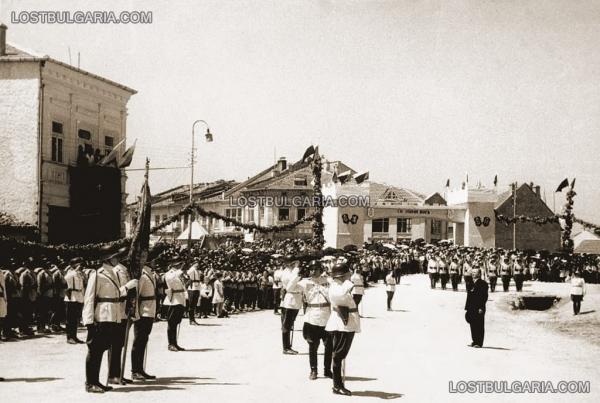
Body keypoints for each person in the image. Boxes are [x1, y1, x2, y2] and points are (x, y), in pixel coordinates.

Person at [82, 247, 138, 393]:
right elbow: (89, 298)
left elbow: (116, 294)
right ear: (107, 259)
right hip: (101, 316)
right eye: (115, 257)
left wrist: (127, 287)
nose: (117, 260)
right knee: (95, 350)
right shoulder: (97, 274)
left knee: (101, 349)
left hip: (111, 316)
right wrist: (88, 321)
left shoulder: (112, 273)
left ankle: (97, 382)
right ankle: (90, 383)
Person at [326, 262, 360, 396]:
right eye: (347, 273)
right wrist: (348, 282)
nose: (350, 275)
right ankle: (337, 385)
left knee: (341, 354)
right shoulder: (336, 287)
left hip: (347, 322)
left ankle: (338, 384)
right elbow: (339, 296)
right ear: (341, 275)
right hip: (341, 323)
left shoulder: (340, 285)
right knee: (338, 354)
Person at [296, 260, 333, 380]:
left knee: (329, 346)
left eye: (316, 269)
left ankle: (327, 370)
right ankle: (313, 370)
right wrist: (297, 274)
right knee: (312, 345)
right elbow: (290, 287)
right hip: (312, 316)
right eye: (311, 269)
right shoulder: (305, 282)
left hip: (326, 315)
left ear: (320, 270)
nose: (313, 271)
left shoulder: (328, 281)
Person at [131, 252, 157, 381]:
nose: (155, 263)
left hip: (150, 310)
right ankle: (135, 370)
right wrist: (136, 313)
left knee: (144, 340)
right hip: (143, 311)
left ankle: (141, 369)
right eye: (153, 261)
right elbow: (137, 295)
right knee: (139, 341)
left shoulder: (150, 274)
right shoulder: (142, 275)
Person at [108, 259, 133, 385]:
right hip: (118, 310)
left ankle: (119, 373)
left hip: (124, 310)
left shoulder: (125, 270)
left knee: (120, 344)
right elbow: (116, 291)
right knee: (115, 344)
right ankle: (113, 375)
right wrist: (128, 287)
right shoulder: (116, 270)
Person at [163, 260, 187, 351]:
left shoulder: (178, 274)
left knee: (176, 322)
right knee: (171, 323)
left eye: (180, 263)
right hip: (173, 300)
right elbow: (170, 279)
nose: (180, 265)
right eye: (178, 264)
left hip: (180, 299)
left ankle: (175, 343)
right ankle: (170, 344)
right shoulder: (170, 273)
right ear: (172, 264)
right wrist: (181, 270)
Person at [280, 258, 302, 354]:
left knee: (290, 324)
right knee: (287, 325)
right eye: (292, 263)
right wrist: (297, 269)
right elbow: (291, 283)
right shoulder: (286, 273)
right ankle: (286, 347)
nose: (294, 265)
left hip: (296, 297)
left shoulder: (292, 271)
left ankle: (288, 346)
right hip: (290, 298)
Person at [464, 268, 488, 348]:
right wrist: (467, 308)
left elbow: (484, 297)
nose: (473, 274)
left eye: (475, 272)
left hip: (478, 308)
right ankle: (474, 341)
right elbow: (469, 296)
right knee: (473, 324)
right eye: (472, 272)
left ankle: (479, 342)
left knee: (479, 325)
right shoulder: (471, 283)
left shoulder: (483, 283)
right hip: (471, 307)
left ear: (479, 274)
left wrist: (481, 307)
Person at [64, 258, 85, 344]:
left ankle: (74, 336)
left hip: (78, 296)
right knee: (70, 319)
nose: (80, 266)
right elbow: (66, 278)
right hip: (71, 297)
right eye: (78, 264)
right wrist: (74, 270)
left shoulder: (78, 274)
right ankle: (69, 337)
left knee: (76, 319)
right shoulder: (70, 273)